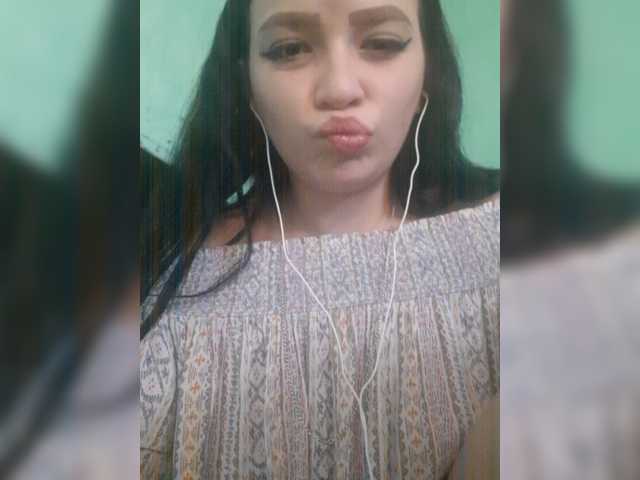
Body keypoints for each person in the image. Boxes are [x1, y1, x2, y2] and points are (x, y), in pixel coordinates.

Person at [141, 0, 499, 478]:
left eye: (383, 42)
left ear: (426, 75)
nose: (340, 89)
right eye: (289, 49)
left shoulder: (508, 247)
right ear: (248, 86)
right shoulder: (178, 274)